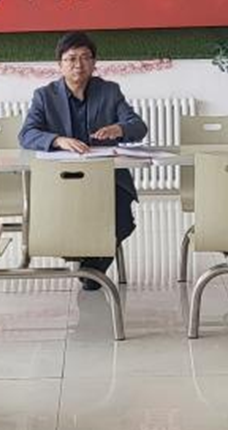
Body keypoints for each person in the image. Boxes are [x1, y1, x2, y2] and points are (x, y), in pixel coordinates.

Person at [18, 31, 148, 276]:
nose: (78, 64)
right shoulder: (44, 96)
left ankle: (90, 268)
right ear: (60, 64)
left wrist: (119, 128)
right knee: (70, 219)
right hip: (63, 179)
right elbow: (26, 134)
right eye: (71, 58)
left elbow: (139, 127)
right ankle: (90, 269)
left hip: (107, 178)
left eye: (85, 57)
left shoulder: (109, 91)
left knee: (122, 220)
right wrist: (57, 140)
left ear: (94, 62)